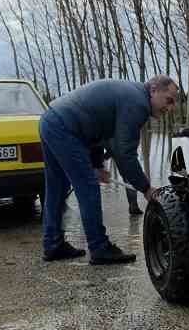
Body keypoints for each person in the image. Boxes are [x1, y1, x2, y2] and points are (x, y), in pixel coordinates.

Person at [39, 75, 180, 264]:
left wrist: (97, 164)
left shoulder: (131, 94)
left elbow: (98, 129)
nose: (170, 108)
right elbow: (125, 154)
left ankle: (53, 244)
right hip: (65, 127)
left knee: (57, 187)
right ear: (153, 90)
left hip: (51, 120)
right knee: (87, 187)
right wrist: (146, 188)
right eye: (168, 100)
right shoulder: (138, 104)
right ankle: (100, 248)